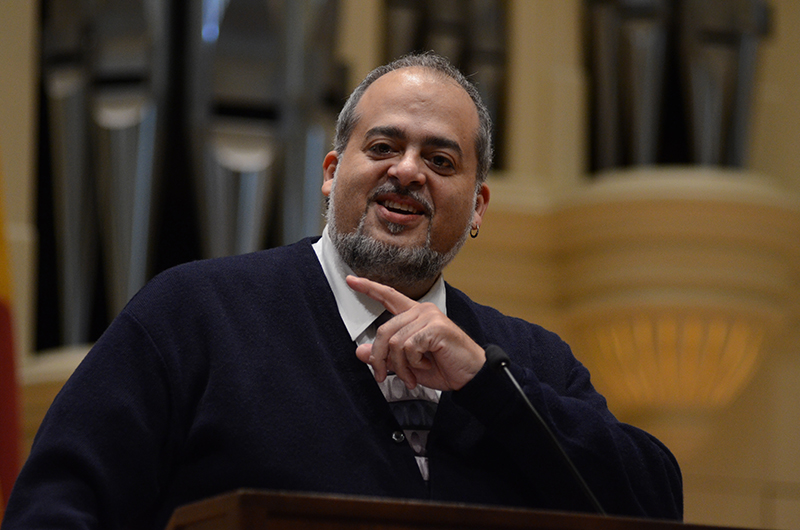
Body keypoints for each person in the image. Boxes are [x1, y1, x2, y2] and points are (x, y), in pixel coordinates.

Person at [2, 52, 682, 530]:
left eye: (441, 160)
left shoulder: (533, 361)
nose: (409, 171)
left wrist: (487, 384)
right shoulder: (193, 315)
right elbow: (56, 508)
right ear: (331, 173)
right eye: (383, 147)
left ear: (477, 207)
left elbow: (654, 502)